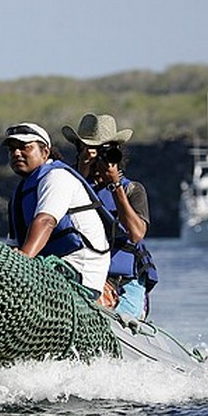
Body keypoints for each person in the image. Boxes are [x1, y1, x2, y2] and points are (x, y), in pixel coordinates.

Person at [63, 113, 158, 318]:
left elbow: (136, 234)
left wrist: (115, 186)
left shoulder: (132, 189)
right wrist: (81, 174)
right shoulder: (67, 186)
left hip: (124, 282)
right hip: (83, 277)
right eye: (90, 149)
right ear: (79, 151)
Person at [3, 122, 110, 295]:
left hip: (79, 270)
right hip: (47, 267)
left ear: (45, 152)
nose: (16, 153)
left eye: (24, 147)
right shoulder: (20, 194)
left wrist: (22, 262)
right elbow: (12, 245)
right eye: (12, 149)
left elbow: (46, 221)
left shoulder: (57, 177)